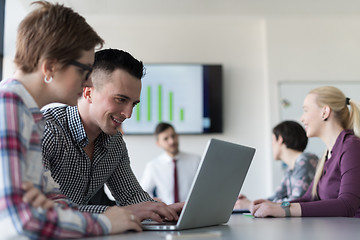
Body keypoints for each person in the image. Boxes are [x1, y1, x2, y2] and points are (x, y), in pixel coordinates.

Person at [0, 1, 142, 239]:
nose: (89, 83)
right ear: (50, 66)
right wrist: (106, 222)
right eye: (84, 71)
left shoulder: (31, 116)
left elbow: (55, 204)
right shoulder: (9, 107)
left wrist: (44, 208)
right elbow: (20, 221)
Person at [42, 49, 182, 223]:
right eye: (120, 99)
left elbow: (132, 196)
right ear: (88, 92)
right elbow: (43, 208)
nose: (128, 114)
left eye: (134, 104)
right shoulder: (46, 130)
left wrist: (163, 210)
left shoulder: (114, 143)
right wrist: (121, 213)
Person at [250, 86, 360, 218]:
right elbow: (309, 198)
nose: (302, 119)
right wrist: (274, 205)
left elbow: (347, 205)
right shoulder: (327, 155)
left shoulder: (352, 147)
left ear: (324, 112)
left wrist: (285, 210)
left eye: (306, 110)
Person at [234, 121, 318, 210]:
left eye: (273, 140)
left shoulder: (305, 160)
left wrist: (250, 205)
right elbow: (276, 197)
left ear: (280, 139)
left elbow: (296, 201)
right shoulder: (291, 168)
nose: (272, 145)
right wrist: (252, 203)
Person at [141, 122, 201, 204]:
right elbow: (144, 192)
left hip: (192, 210)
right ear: (158, 143)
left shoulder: (196, 161)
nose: (171, 141)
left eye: (173, 136)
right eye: (166, 139)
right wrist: (155, 203)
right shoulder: (153, 166)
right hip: (166, 212)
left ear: (177, 136)